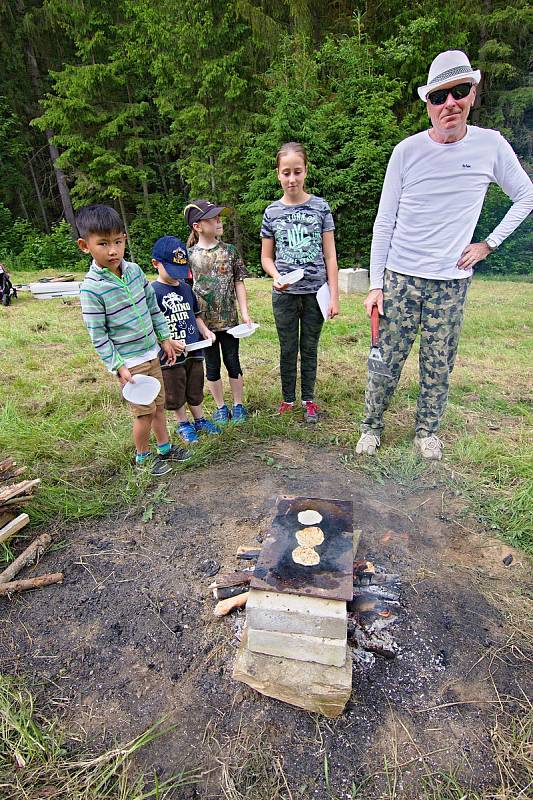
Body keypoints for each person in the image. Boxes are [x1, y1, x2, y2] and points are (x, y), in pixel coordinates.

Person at [356, 50, 533, 460]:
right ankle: (370, 427)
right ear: (428, 104)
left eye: (458, 92)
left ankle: (426, 432)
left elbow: (525, 195)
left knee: (438, 364)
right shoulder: (406, 152)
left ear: (472, 93)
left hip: (451, 284)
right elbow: (384, 222)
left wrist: (489, 243)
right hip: (401, 278)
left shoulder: (491, 146)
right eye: (439, 96)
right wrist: (376, 285)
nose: (449, 103)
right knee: (385, 360)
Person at [78, 205, 189, 476]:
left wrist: (164, 339)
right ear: (85, 246)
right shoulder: (92, 288)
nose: (113, 250)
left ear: (125, 238)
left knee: (160, 405)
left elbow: (153, 309)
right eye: (103, 244)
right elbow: (99, 334)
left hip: (152, 354)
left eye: (117, 241)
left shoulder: (136, 272)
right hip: (131, 364)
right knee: (144, 413)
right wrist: (118, 365)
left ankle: (165, 448)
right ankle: (143, 456)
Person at [260, 141, 339, 423]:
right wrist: (276, 276)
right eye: (286, 172)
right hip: (285, 294)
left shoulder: (320, 207)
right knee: (287, 347)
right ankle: (287, 399)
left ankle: (309, 400)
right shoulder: (271, 212)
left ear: (305, 171)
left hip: (316, 293)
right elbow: (266, 257)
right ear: (278, 174)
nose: (291, 179)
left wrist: (335, 296)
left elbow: (330, 256)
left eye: (297, 171)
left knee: (309, 347)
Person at [185, 199, 252, 424]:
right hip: (205, 328)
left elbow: (238, 283)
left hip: (230, 323)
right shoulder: (189, 256)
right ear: (197, 226)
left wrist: (244, 313)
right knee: (211, 367)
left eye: (219, 216)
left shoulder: (230, 252)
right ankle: (221, 407)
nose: (218, 220)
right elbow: (186, 290)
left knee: (233, 362)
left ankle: (238, 405)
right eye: (212, 217)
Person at [151, 236, 220, 444]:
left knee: (195, 385)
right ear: (155, 264)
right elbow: (151, 325)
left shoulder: (186, 288)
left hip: (194, 349)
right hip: (171, 355)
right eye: (171, 271)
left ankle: (199, 419)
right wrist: (167, 341)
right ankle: (183, 423)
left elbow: (196, 315)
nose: (176, 277)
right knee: (176, 388)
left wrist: (206, 331)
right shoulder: (153, 292)